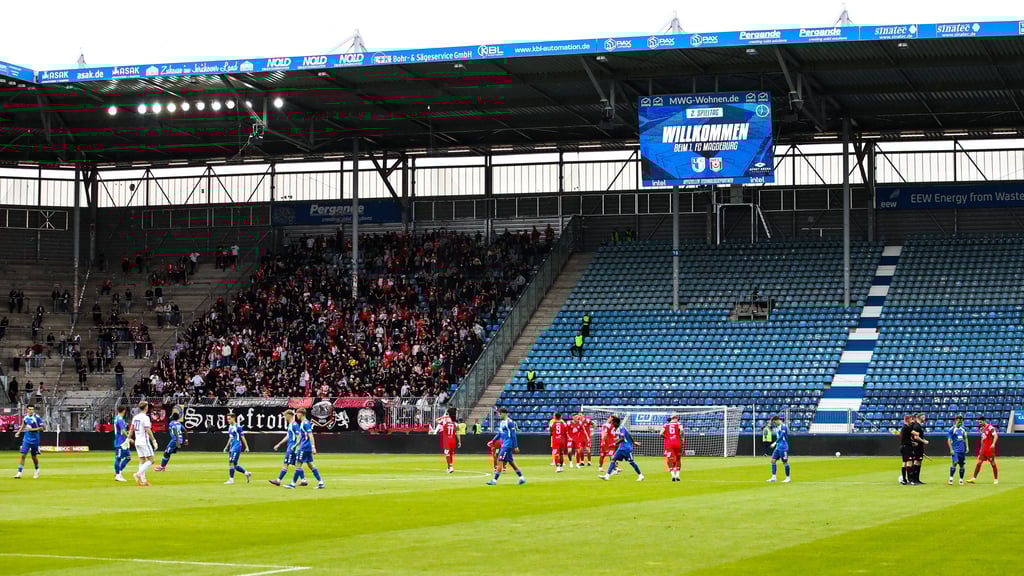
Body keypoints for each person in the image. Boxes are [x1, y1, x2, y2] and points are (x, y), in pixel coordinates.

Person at [486, 408, 525, 485]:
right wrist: (493, 441)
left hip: (508, 445)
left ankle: (494, 480)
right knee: (511, 462)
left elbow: (513, 435)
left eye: (500, 414)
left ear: (504, 413)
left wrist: (516, 446)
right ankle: (522, 478)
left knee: (499, 459)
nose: (499, 415)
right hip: (504, 444)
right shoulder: (502, 423)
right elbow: (499, 434)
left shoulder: (510, 422)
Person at [287, 408, 324, 489]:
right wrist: (295, 445)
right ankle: (321, 482)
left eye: (297, 413)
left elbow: (311, 435)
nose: (296, 415)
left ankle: (293, 484)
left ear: (301, 413)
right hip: (306, 447)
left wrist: (313, 446)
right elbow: (302, 437)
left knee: (298, 464)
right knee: (311, 465)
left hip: (304, 447)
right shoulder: (303, 423)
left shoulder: (305, 423)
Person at [599, 415, 643, 481]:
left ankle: (640, 475)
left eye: (613, 423)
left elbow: (622, 439)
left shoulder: (621, 428)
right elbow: (629, 435)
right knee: (613, 459)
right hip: (621, 448)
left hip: (626, 448)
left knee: (631, 462)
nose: (612, 424)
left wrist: (614, 444)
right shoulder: (622, 428)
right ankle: (607, 476)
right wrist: (634, 442)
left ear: (616, 423)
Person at [125, 400, 158, 487]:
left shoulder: (135, 417)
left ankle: (143, 481)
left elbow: (131, 429)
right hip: (144, 441)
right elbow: (148, 430)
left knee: (142, 460)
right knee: (151, 460)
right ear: (146, 407)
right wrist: (154, 441)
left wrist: (128, 439)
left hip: (137, 441)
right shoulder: (145, 418)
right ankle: (137, 474)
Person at [270, 409, 301, 487]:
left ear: (289, 415)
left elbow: (299, 436)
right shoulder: (291, 425)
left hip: (292, 447)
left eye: (285, 415)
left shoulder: (294, 424)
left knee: (286, 463)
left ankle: (278, 480)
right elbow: (288, 436)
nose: (284, 417)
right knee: (297, 465)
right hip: (291, 446)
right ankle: (304, 480)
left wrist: (295, 446)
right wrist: (279, 444)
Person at [13, 404, 44, 479]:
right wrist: (18, 432)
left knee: (34, 456)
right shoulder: (25, 416)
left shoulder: (37, 417)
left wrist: (32, 430)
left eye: (32, 409)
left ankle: (37, 470)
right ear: (27, 410)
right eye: (29, 409)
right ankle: (19, 473)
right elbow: (23, 424)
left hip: (35, 439)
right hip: (26, 439)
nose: (31, 411)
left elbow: (42, 429)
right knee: (23, 455)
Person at [967, 416, 999, 485]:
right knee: (979, 463)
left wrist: (993, 444)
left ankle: (996, 479)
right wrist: (981, 449)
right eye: (979, 422)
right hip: (984, 449)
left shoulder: (990, 427)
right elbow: (982, 439)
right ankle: (973, 478)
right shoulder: (981, 429)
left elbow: (996, 436)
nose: (980, 423)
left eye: (980, 422)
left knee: (993, 463)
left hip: (990, 449)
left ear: (984, 421)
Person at [222, 413, 251, 484]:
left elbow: (242, 437)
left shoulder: (238, 427)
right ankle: (246, 473)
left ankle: (231, 480)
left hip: (237, 446)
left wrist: (247, 447)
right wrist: (226, 447)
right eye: (227, 419)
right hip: (232, 446)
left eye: (229, 419)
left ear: (233, 418)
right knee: (234, 464)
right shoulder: (230, 427)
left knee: (231, 462)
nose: (228, 420)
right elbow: (230, 438)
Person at [766, 415, 790, 483]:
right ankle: (774, 478)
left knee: (785, 462)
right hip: (778, 447)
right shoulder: (777, 427)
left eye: (774, 422)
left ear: (777, 420)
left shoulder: (783, 426)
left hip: (783, 447)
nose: (774, 424)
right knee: (773, 461)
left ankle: (788, 478)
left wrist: (775, 443)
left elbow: (782, 436)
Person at [662, 414, 684, 482]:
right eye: (677, 419)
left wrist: (666, 437)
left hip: (669, 444)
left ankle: (673, 475)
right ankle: (677, 475)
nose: (678, 420)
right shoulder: (678, 424)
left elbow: (660, 433)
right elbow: (682, 430)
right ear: (675, 419)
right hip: (677, 443)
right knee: (678, 458)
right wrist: (682, 437)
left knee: (669, 459)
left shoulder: (665, 425)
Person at [947, 415, 968, 486]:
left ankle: (961, 480)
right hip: (955, 450)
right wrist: (951, 449)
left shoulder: (964, 429)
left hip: (962, 450)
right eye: (959, 422)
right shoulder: (952, 429)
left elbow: (965, 438)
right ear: (955, 421)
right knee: (955, 462)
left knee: (962, 465)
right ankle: (951, 479)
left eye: (961, 422)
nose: (960, 423)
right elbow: (949, 440)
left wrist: (967, 447)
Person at [112, 405, 131, 482]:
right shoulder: (120, 419)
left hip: (122, 441)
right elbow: (122, 431)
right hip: (120, 442)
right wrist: (129, 437)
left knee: (128, 457)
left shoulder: (116, 418)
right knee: (118, 458)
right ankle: (118, 475)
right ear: (124, 410)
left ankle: (118, 471)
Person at [440, 407, 461, 473]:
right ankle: (449, 467)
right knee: (451, 454)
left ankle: (450, 466)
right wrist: (459, 441)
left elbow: (436, 420)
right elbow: (457, 433)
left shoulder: (444, 421)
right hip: (453, 440)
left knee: (447, 453)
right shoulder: (456, 424)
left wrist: (443, 417)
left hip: (447, 440)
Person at [909, 413, 929, 485]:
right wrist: (924, 441)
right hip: (917, 447)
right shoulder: (917, 426)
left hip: (919, 446)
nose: (924, 417)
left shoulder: (918, 426)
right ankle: (913, 479)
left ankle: (917, 479)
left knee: (919, 462)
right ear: (918, 417)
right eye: (923, 416)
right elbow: (916, 437)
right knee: (916, 462)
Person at [899, 414, 915, 485]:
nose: (912, 421)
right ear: (907, 420)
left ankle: (904, 479)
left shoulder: (904, 428)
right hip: (907, 447)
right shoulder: (906, 427)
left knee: (904, 463)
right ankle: (909, 479)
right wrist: (912, 443)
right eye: (911, 419)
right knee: (909, 463)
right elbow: (915, 433)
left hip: (903, 447)